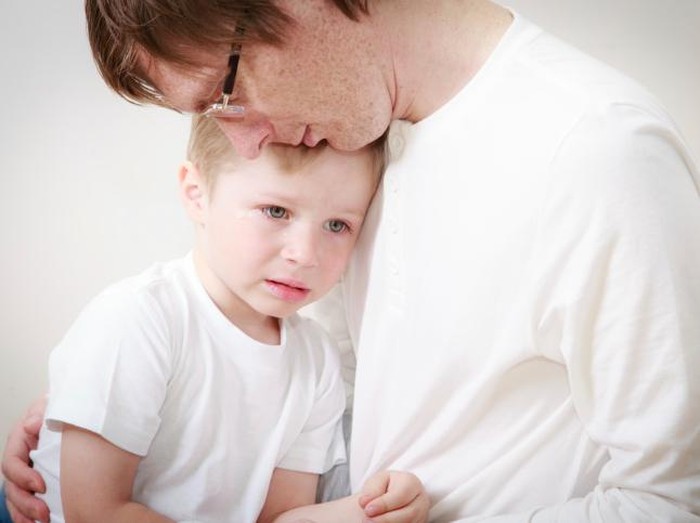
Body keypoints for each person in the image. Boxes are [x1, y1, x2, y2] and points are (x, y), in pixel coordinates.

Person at [4, 0, 700, 521]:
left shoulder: (597, 152)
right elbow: (330, 391)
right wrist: (100, 417)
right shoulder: (360, 133)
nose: (245, 143)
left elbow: (673, 498)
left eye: (228, 93)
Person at [7, 114, 429, 523]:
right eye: (276, 211)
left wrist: (363, 512)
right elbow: (96, 513)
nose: (305, 254)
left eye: (337, 224)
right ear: (197, 193)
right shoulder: (139, 318)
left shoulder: (316, 360)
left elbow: (279, 517)